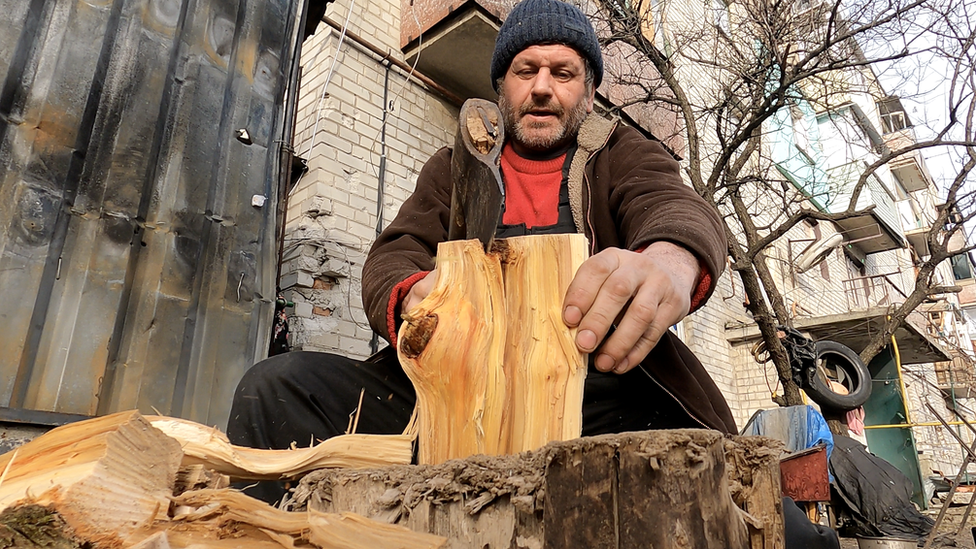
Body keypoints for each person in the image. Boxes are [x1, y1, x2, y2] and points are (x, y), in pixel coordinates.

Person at [227, 0, 736, 504]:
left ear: (589, 92)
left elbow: (673, 207)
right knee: (276, 386)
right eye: (525, 70)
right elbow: (395, 255)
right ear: (501, 86)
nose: (541, 87)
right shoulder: (452, 166)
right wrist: (417, 299)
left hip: (600, 392)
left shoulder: (623, 151)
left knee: (762, 513)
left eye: (563, 72)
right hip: (454, 392)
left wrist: (671, 261)